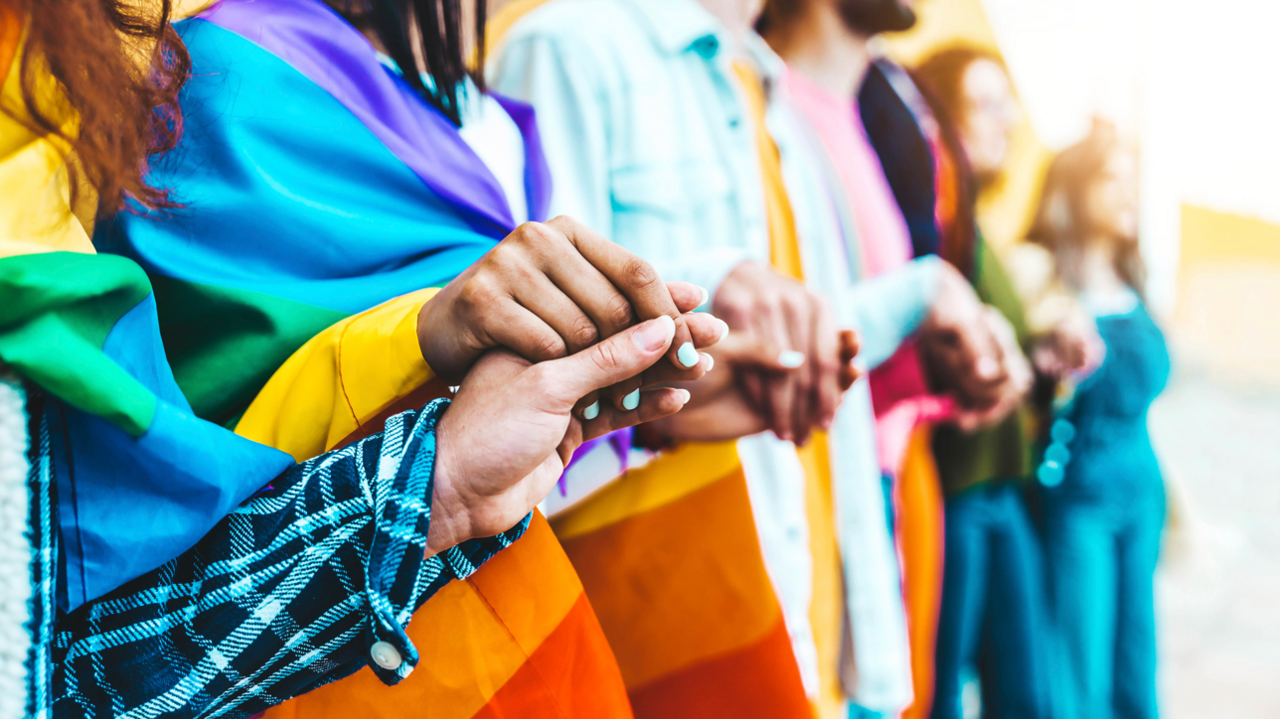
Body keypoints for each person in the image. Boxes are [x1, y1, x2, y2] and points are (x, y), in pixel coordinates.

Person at [0, 0, 721, 716]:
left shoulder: (494, 121)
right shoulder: (212, 77)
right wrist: (429, 407)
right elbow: (112, 581)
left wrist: (635, 405)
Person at [490, 2, 1024, 717]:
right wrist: (710, 286)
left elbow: (802, 350)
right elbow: (523, 387)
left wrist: (929, 297)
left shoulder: (773, 94)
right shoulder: (568, 51)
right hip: (664, 646)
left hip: (806, 631)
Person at [757, 3, 1033, 717]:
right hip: (808, 507)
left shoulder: (877, 121)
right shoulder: (768, 106)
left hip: (883, 484)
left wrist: (951, 369)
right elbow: (774, 347)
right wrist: (926, 302)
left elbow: (854, 347)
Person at [901, 44, 1105, 719]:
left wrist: (1043, 359)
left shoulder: (979, 235)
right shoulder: (930, 228)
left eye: (1007, 104)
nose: (1008, 122)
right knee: (936, 696)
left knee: (1029, 695)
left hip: (1002, 491)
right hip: (953, 493)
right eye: (986, 105)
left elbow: (1004, 367)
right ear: (939, 119)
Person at [1025, 122, 1168, 719]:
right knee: (1079, 678)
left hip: (1143, 496)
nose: (1128, 191)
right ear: (1074, 189)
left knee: (1137, 667)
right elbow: (1031, 367)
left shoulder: (1137, 284)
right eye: (1112, 177)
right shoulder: (1043, 281)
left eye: (1132, 179)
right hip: (1079, 496)